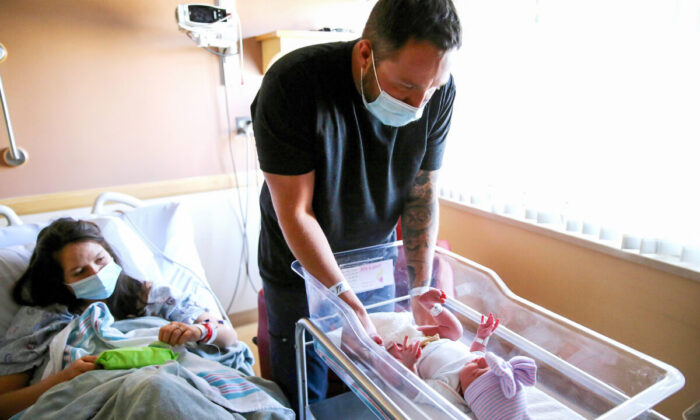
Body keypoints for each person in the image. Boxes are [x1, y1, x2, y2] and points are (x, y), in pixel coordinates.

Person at [250, 0, 462, 407]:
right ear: (366, 54)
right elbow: (296, 211)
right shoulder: (294, 84)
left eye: (431, 88)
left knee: (373, 383)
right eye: (406, 87)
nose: (421, 105)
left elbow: (422, 195)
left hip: (372, 260)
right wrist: (342, 301)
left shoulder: (440, 89)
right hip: (301, 266)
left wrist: (419, 286)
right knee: (306, 392)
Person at [0, 218, 237, 419]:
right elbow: (4, 404)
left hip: (178, 384)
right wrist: (63, 379)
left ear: (110, 254)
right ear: (59, 281)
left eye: (100, 260)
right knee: (154, 387)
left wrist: (198, 331)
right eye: (80, 272)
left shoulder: (151, 296)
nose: (97, 273)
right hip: (110, 398)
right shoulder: (40, 321)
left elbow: (229, 337)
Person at [383, 288, 537, 419]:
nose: (482, 361)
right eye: (487, 366)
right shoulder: (477, 365)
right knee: (456, 332)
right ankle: (432, 306)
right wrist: (482, 337)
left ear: (471, 393)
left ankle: (378, 348)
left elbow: (416, 390)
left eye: (478, 372)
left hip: (410, 350)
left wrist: (410, 363)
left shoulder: (450, 392)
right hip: (430, 337)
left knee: (394, 374)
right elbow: (477, 352)